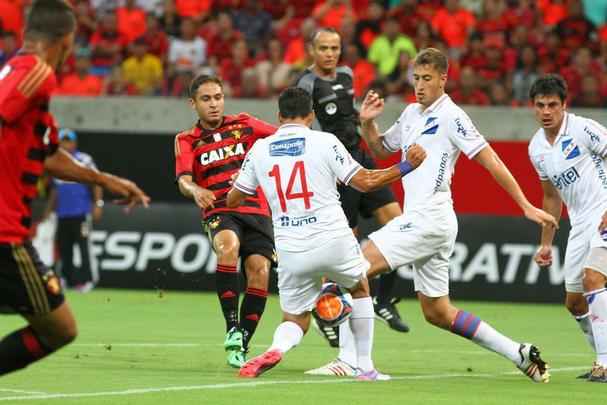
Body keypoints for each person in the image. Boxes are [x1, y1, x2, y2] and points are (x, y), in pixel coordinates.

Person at [312, 47, 557, 382]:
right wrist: (367, 123)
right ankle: (518, 352)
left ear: (444, 78)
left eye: (427, 78)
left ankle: (350, 358)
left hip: (431, 217)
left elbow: (491, 160)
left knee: (353, 264)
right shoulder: (413, 113)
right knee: (438, 312)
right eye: (416, 78)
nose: (420, 85)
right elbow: (383, 148)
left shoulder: (452, 116)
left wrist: (525, 204)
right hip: (427, 222)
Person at [227, 87, 426, 380]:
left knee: (295, 317)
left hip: (291, 248)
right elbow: (366, 181)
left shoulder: (260, 149)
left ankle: (277, 349)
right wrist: (408, 164)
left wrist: (237, 185)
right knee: (359, 288)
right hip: (333, 239)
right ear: (311, 115)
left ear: (279, 116)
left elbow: (234, 200)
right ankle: (365, 367)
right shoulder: (324, 141)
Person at [0, 0, 149, 377]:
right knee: (60, 329)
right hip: (4, 232)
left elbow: (49, 154)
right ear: (67, 40)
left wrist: (104, 179)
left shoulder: (24, 80)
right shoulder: (36, 70)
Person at [295, 28, 409, 372]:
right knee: (347, 243)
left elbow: (348, 119)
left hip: (361, 157)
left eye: (335, 48)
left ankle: (384, 300)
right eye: (323, 48)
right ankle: (328, 309)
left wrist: (365, 116)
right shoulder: (305, 84)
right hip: (335, 170)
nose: (330, 54)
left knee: (399, 222)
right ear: (312, 50)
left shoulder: (346, 75)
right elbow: (300, 126)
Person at [174, 75, 276, 368]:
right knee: (228, 247)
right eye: (206, 99)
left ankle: (242, 341)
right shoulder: (186, 139)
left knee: (260, 271)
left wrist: (256, 172)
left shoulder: (245, 124)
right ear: (193, 104)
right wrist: (196, 190)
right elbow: (183, 180)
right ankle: (232, 327)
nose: (214, 104)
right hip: (219, 208)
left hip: (257, 210)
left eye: (218, 97)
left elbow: (283, 140)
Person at [528, 74, 607, 382]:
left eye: (552, 105)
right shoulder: (537, 149)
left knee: (593, 278)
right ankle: (599, 356)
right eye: (540, 105)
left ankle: (605, 362)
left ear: (564, 105)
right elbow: (550, 198)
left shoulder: (583, 129)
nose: (546, 111)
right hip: (579, 223)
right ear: (533, 107)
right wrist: (546, 243)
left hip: (603, 211)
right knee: (574, 302)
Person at [43, 129, 103, 293]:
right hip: (62, 213)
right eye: (63, 140)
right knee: (64, 248)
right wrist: (49, 211)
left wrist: (98, 203)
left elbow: (97, 181)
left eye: (69, 140)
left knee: (84, 247)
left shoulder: (84, 159)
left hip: (81, 212)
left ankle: (88, 280)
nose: (65, 144)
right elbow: (55, 191)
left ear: (75, 143)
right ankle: (69, 280)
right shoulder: (55, 161)